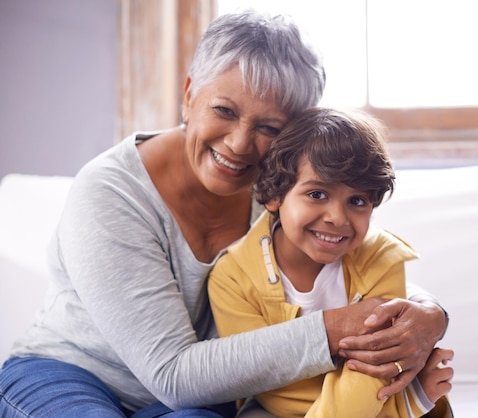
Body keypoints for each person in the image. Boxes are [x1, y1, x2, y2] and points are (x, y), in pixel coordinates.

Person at [0, 10, 448, 417]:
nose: (238, 143)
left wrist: (430, 314)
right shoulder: (110, 193)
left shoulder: (283, 189)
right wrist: (334, 330)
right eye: (224, 111)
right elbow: (174, 375)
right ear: (190, 93)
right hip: (73, 373)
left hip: (205, 396)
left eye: (268, 128)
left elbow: (356, 264)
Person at [208, 107, 454, 418]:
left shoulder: (382, 257)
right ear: (274, 196)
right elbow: (271, 385)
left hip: (371, 401)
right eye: (317, 193)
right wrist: (403, 407)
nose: (337, 218)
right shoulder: (232, 277)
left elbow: (377, 367)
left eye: (357, 201)